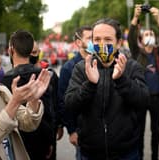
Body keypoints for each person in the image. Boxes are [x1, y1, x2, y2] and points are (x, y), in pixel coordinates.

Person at [65, 18, 150, 159]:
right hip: (89, 152)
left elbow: (143, 100)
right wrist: (90, 85)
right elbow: (70, 104)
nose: (102, 44)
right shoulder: (82, 68)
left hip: (125, 152)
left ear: (119, 43)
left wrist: (122, 80)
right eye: (97, 39)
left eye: (108, 39)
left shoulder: (132, 67)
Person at [1, 30, 64, 160]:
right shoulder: (46, 75)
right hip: (42, 142)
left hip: (16, 143)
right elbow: (50, 112)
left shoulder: (3, 81)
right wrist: (50, 141)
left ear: (11, 50)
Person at [128, 4, 159, 160]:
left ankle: (155, 156)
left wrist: (158, 18)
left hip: (156, 98)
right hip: (140, 97)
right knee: (139, 130)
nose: (149, 35)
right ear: (142, 38)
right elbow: (131, 36)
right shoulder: (137, 53)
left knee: (155, 130)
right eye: (146, 34)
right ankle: (139, 156)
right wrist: (135, 17)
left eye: (151, 33)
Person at [58, 25, 92, 160]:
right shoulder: (68, 68)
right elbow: (63, 101)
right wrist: (71, 130)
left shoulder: (100, 62)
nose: (94, 41)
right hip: (81, 132)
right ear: (78, 42)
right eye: (90, 38)